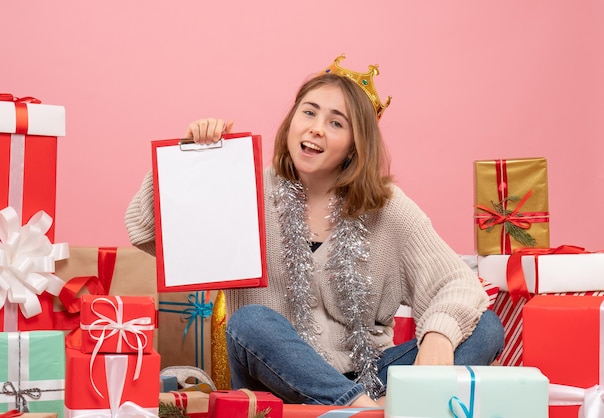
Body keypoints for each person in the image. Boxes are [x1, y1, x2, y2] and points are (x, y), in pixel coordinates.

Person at [125, 54, 504, 407]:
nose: (316, 129)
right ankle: (363, 412)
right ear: (292, 119)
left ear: (355, 146)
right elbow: (145, 230)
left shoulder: (387, 208)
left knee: (482, 325)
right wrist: (190, 158)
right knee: (251, 320)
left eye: (336, 123)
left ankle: (363, 406)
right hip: (274, 381)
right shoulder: (244, 189)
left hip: (375, 379)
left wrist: (437, 338)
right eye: (309, 112)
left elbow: (458, 285)